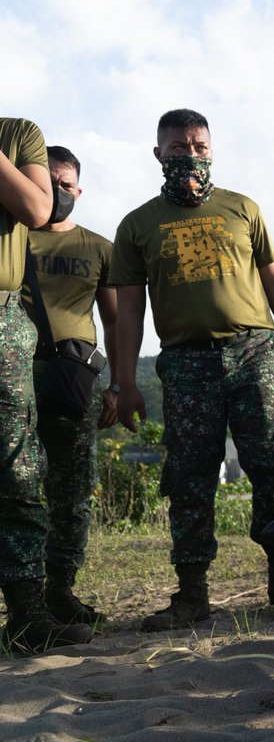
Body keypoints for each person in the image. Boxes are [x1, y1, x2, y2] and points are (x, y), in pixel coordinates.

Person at [109, 108, 274, 630]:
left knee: (272, 464)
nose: (190, 155)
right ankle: (191, 594)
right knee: (190, 475)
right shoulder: (137, 225)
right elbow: (129, 309)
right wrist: (125, 380)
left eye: (199, 146)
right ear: (158, 153)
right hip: (185, 362)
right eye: (178, 147)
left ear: (212, 150)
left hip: (254, 352)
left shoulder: (243, 208)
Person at [0, 118, 93, 652]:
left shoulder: (19, 134)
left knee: (17, 469)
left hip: (5, 322)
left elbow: (36, 209)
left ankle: (26, 615)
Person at [28, 146, 120, 625]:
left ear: (78, 190)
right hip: (16, 378)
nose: (58, 192)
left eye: (66, 185)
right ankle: (24, 596)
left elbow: (116, 320)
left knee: (72, 491)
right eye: (50, 183)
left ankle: (60, 590)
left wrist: (119, 385)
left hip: (74, 383)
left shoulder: (99, 247)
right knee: (15, 488)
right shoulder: (12, 241)